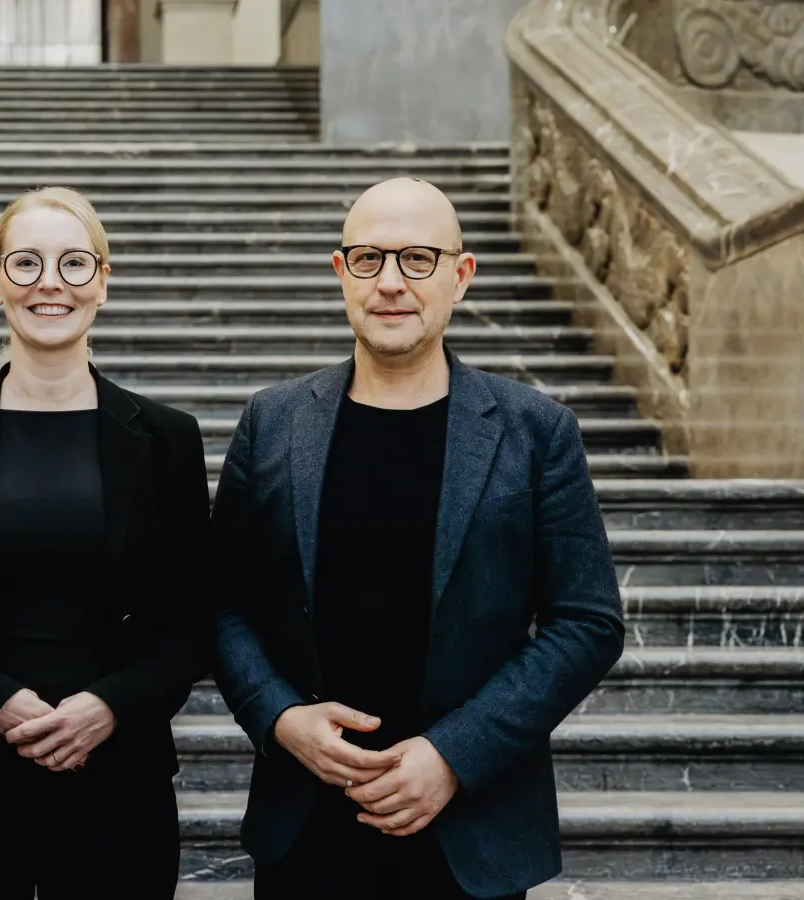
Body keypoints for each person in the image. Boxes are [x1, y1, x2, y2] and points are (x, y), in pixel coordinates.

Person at [212, 177, 626, 900]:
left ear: (460, 276)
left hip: (471, 830)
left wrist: (453, 755)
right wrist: (281, 719)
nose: (392, 283)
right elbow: (221, 605)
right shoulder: (272, 424)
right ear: (341, 274)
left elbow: (586, 622)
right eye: (369, 260)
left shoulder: (536, 431)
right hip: (307, 826)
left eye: (418, 259)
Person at [0, 186, 210, 899]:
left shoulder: (167, 440)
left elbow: (192, 620)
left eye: (73, 263)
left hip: (121, 781)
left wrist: (108, 706)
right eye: (25, 263)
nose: (49, 282)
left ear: (103, 282)